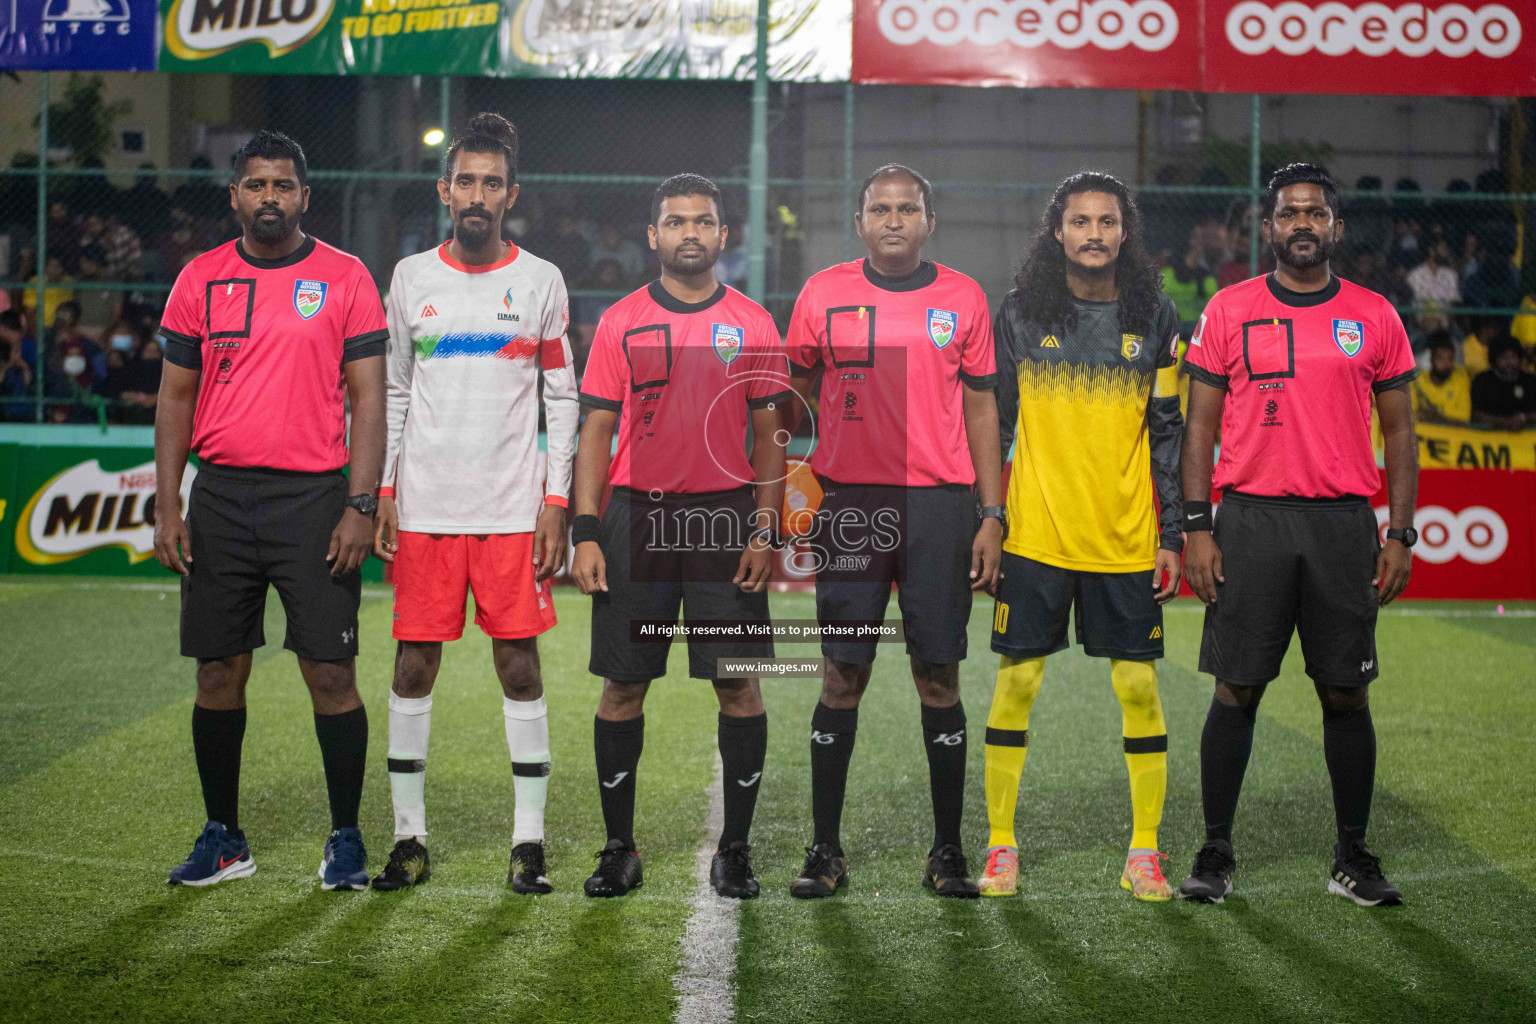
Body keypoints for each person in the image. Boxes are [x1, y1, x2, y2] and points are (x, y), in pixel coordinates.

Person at [153, 130, 388, 891]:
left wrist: (360, 504)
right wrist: (168, 504)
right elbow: (175, 399)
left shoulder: (346, 277)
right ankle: (224, 838)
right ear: (235, 195)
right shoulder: (200, 278)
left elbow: (370, 399)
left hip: (314, 499)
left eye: (283, 185)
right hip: (220, 494)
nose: (269, 198)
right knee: (218, 671)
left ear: (305, 196)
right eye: (256, 185)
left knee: (330, 671)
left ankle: (346, 837)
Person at [1180, 164, 1419, 908]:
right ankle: (1216, 851)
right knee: (1237, 688)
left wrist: (1401, 531)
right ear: (1270, 227)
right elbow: (1199, 427)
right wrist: (1196, 526)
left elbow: (1403, 430)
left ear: (1336, 227)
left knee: (1346, 693)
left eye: (1316, 212)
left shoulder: (1376, 314)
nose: (1303, 224)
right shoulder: (1229, 309)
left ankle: (1352, 855)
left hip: (1344, 523)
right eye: (1290, 213)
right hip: (1249, 520)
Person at [369, 114, 579, 894]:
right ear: (445, 189)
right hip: (425, 510)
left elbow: (561, 394)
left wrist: (556, 501)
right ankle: (408, 839)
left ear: (511, 194)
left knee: (519, 667)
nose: (479, 195)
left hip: (511, 511)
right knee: (413, 664)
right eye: (467, 181)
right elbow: (393, 389)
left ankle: (529, 843)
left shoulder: (542, 281)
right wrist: (385, 490)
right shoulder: (410, 278)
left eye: (494, 182)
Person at [781, 164, 1003, 900]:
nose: (895, 220)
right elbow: (795, 399)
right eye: (881, 208)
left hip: (939, 506)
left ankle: (946, 851)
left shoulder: (963, 297)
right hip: (849, 503)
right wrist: (795, 486)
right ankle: (824, 850)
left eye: (908, 208)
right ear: (859, 221)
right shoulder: (822, 294)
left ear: (929, 221)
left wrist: (991, 513)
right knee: (843, 673)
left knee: (937, 673)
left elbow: (980, 413)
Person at [571, 173, 790, 900]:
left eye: (703, 222)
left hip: (726, 518)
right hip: (638, 517)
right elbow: (596, 431)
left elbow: (769, 436)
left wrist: (765, 529)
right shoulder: (620, 322)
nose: (689, 233)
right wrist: (588, 530)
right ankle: (617, 848)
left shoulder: (755, 323)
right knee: (623, 686)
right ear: (653, 235)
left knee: (738, 685)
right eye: (675, 222)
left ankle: (736, 850)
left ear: (723, 235)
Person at [979, 172, 1184, 901]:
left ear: (1124, 232)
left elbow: (1168, 431)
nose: (1093, 233)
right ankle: (1001, 846)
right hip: (1035, 535)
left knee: (1137, 689)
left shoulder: (1157, 318)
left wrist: (1172, 531)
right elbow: (994, 423)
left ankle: (1145, 852)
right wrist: (991, 518)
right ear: (1056, 232)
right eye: (1079, 222)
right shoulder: (1019, 314)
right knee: (1017, 686)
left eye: (1106, 221)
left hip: (1125, 539)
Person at [1470, 335, 1536, 432]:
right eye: (1503, 357)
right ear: (1494, 358)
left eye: (1513, 357)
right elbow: (1476, 416)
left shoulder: (1530, 380)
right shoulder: (1482, 380)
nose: (1509, 362)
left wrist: (1524, 418)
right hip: (1490, 438)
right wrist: (1503, 422)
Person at [1410, 331, 1471, 425]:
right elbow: (1410, 415)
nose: (1445, 364)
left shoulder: (1460, 379)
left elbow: (1464, 419)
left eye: (1449, 359)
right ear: (1431, 359)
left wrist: (1438, 418)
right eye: (1440, 358)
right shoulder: (1417, 381)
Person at [1404, 236, 1459, 332]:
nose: (1447, 253)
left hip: (1444, 324)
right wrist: (1420, 326)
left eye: (1447, 249)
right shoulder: (1415, 275)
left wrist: (1447, 328)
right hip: (1421, 323)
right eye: (1444, 249)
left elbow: (1453, 304)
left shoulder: (1451, 275)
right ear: (1431, 251)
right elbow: (1410, 305)